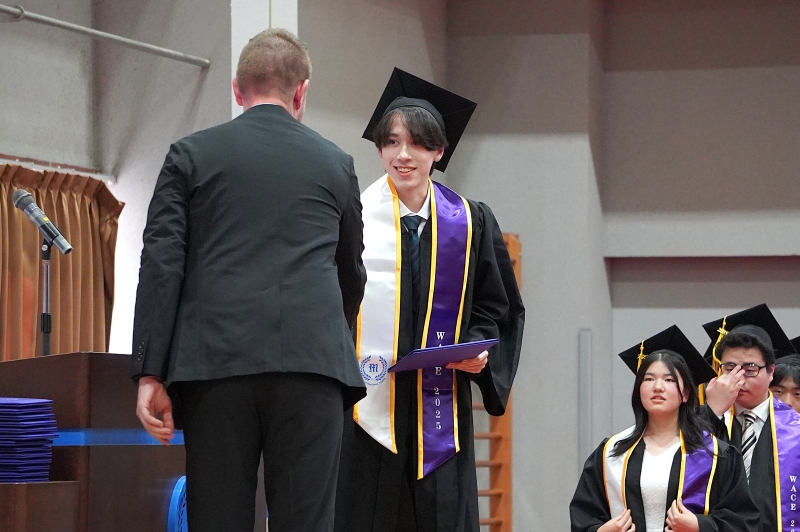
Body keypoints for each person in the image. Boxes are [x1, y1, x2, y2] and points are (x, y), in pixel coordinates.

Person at [130, 28, 367, 532]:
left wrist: (151, 371)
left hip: (215, 367)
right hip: (313, 367)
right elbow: (350, 271)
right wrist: (326, 334)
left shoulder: (189, 156)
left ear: (237, 89)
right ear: (301, 92)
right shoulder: (337, 164)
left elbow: (161, 265)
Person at [334, 68, 524, 532]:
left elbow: (497, 307)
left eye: (418, 144)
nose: (403, 155)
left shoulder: (471, 221)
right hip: (366, 408)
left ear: (439, 151)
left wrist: (479, 348)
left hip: (441, 410)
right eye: (391, 142)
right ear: (379, 149)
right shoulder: (352, 219)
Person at [570, 325, 759, 532]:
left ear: (685, 394)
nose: (657, 387)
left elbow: (743, 522)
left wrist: (699, 525)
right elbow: (584, 517)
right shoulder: (611, 452)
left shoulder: (716, 454)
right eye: (648, 379)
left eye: (669, 380)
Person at [700, 304, 800, 532]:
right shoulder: (703, 420)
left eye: (750, 369)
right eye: (729, 368)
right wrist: (711, 411)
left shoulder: (795, 429)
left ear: (771, 371)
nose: (739, 378)